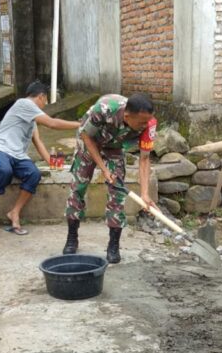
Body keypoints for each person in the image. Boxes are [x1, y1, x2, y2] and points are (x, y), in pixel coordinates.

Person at [62, 93, 156, 264]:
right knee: (78, 187)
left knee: (117, 192)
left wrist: (144, 194)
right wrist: (104, 169)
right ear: (127, 116)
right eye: (141, 122)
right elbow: (86, 136)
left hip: (115, 148)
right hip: (89, 142)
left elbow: (144, 158)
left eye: (147, 121)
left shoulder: (149, 124)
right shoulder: (105, 109)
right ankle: (72, 237)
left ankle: (114, 245)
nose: (145, 125)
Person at [0, 81, 81, 238]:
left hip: (18, 155)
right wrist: (79, 125)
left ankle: (14, 212)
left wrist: (53, 164)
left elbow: (38, 143)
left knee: (34, 174)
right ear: (41, 96)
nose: (44, 105)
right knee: (4, 171)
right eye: (45, 100)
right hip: (0, 149)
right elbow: (52, 124)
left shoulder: (32, 119)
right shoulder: (23, 104)